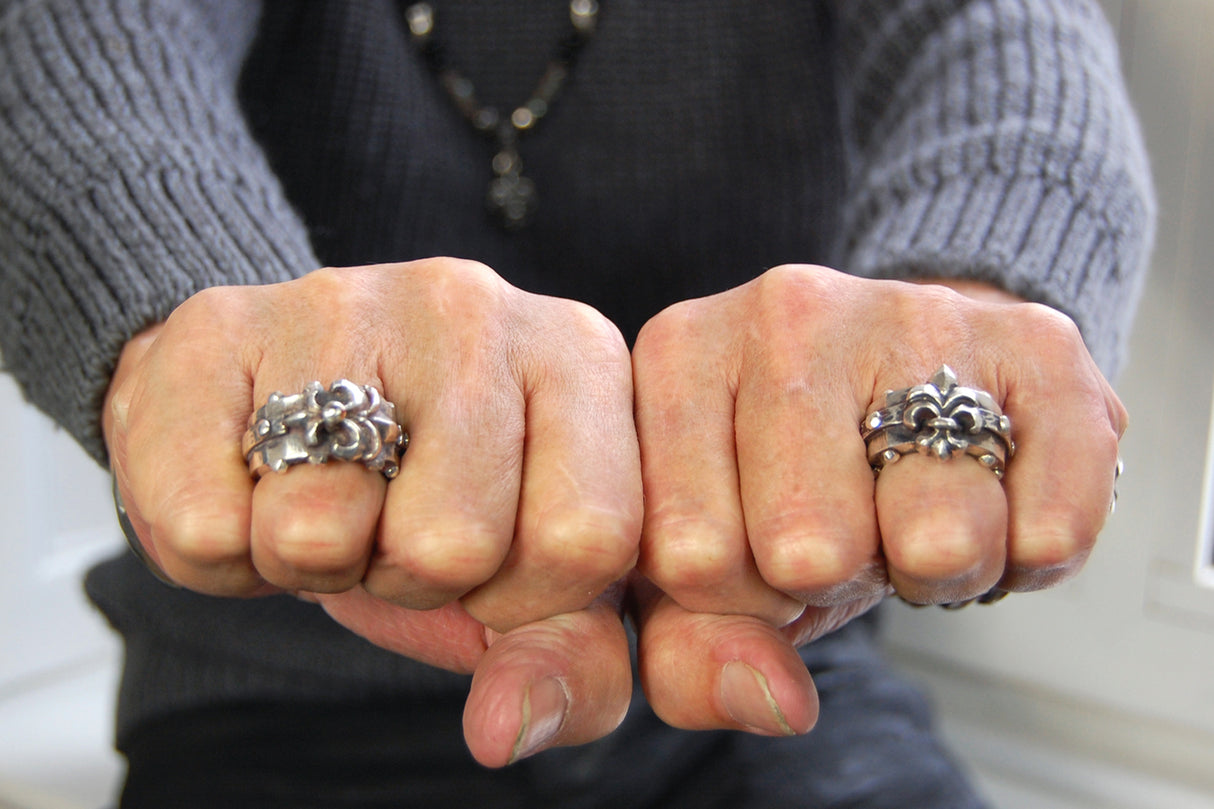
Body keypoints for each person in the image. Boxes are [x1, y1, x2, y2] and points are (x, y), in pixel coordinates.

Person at [0, 0, 1153, 806]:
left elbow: (1003, 41)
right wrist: (192, 328)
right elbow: (81, 52)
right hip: (270, 691)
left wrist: (965, 303)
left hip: (776, 669)